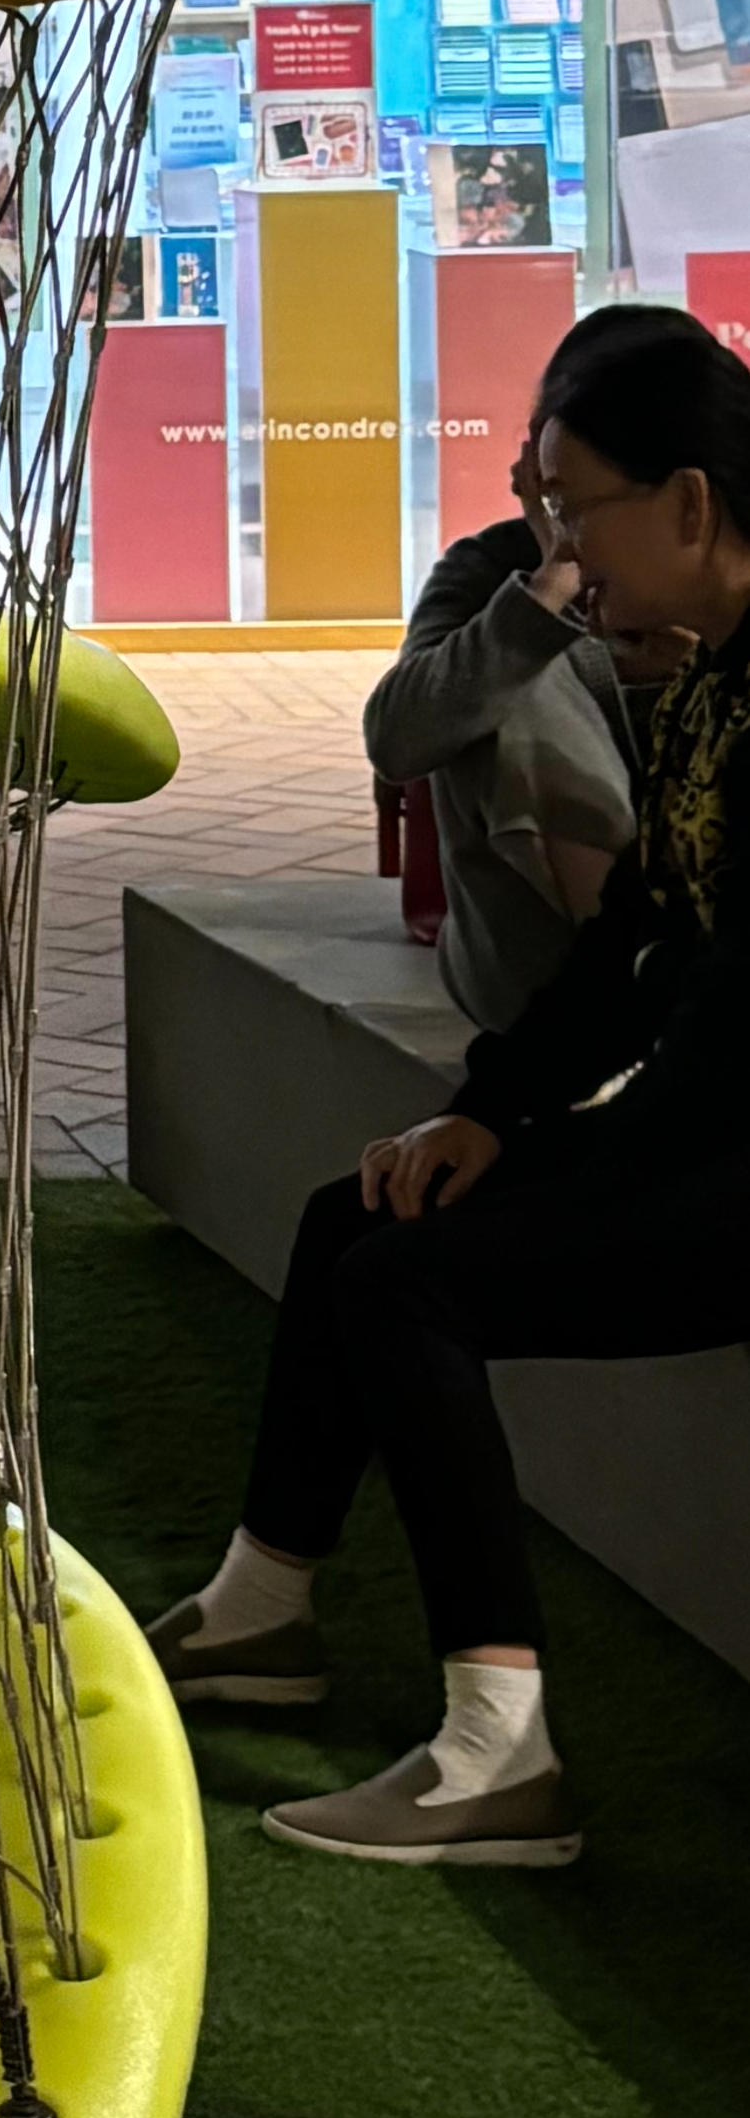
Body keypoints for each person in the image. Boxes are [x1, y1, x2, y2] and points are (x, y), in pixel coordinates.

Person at [148, 324, 750, 1870]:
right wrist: (490, 1113)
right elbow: (636, 939)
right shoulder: (699, 678)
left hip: (734, 1160)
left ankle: (496, 1751)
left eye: (569, 504)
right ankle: (259, 1610)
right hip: (700, 1121)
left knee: (407, 1283)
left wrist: (571, 1154)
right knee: (353, 1213)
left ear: (686, 502)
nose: (548, 543)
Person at [362, 303, 699, 1029]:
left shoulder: (720, 565)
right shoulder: (493, 570)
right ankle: (648, 985)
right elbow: (397, 738)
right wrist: (552, 587)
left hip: (706, 925)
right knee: (519, 687)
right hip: (533, 965)